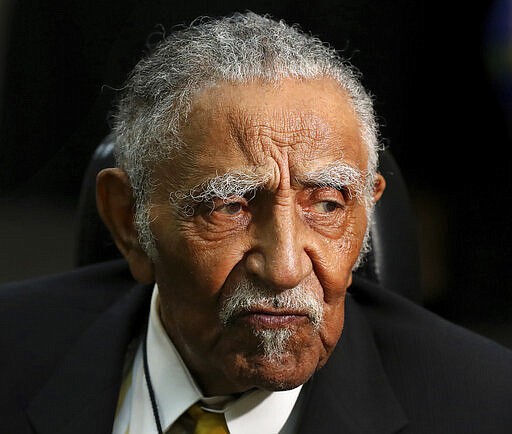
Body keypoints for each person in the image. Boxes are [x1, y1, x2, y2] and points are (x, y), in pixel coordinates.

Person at [1, 11, 511, 434]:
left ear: (366, 211)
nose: (286, 268)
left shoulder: (485, 406)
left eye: (328, 205)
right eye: (229, 207)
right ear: (127, 220)